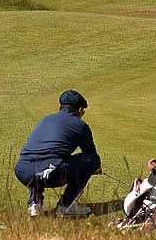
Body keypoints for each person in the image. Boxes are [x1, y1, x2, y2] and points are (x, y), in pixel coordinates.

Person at [14, 89, 102, 218]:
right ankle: (66, 206)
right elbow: (91, 155)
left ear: (60, 106)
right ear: (79, 110)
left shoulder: (45, 119)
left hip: (22, 171)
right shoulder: (80, 125)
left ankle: (35, 204)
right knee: (90, 160)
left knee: (38, 165)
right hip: (50, 172)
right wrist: (96, 167)